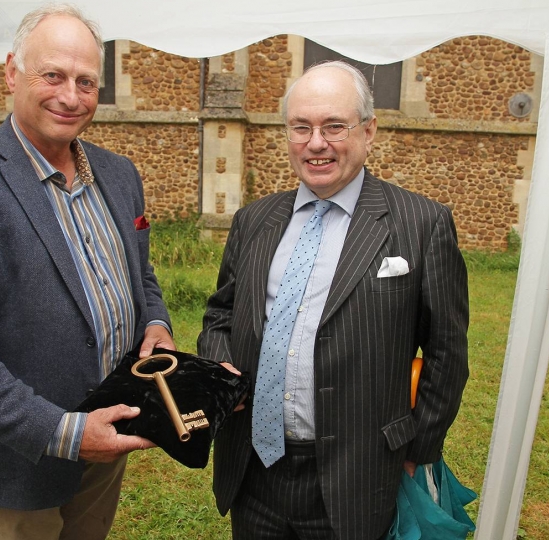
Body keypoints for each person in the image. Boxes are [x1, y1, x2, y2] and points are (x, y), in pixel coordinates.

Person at [0, 4, 174, 539]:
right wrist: (66, 433)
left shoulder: (120, 175)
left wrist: (157, 323)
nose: (70, 96)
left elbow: (139, 275)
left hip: (110, 426)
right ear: (12, 72)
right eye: (52, 75)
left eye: (86, 82)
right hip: (20, 453)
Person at [198, 60, 469, 540]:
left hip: (359, 474)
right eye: (301, 127)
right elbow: (221, 314)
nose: (315, 143)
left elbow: (447, 354)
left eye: (333, 127)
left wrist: (416, 451)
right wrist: (223, 370)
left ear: (369, 131)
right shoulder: (254, 221)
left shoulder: (420, 224)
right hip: (256, 469)